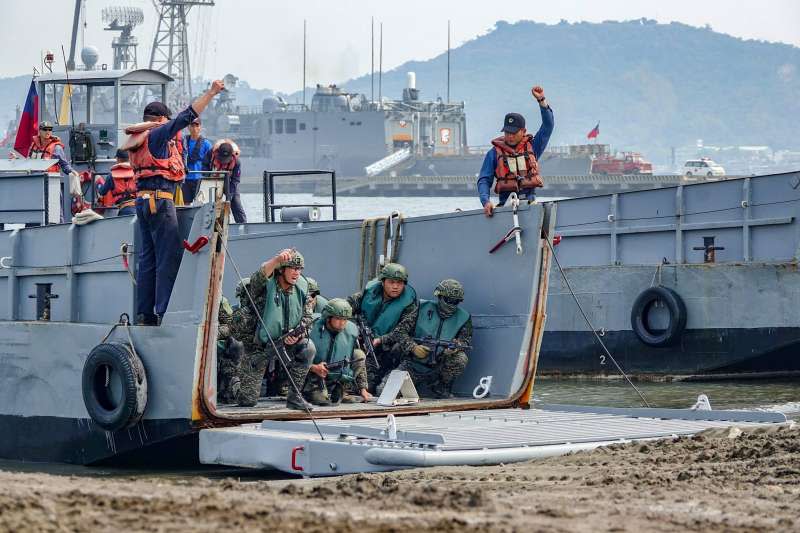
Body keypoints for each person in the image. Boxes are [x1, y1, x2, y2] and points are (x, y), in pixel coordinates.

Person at [120, 79, 225, 326]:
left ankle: (145, 313)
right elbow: (187, 116)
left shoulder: (139, 138)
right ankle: (164, 312)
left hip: (142, 202)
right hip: (160, 201)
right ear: (160, 119)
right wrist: (211, 93)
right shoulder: (157, 134)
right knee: (167, 258)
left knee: (148, 258)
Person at [244, 249, 316, 410]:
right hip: (260, 346)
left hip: (286, 343)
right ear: (281, 270)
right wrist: (276, 260)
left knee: (308, 348)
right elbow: (257, 279)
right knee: (247, 400)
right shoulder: (265, 286)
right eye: (293, 268)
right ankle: (233, 383)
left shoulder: (303, 289)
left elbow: (308, 318)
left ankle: (295, 397)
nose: (297, 273)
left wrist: (297, 335)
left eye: (299, 269)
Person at [387, 279, 473, 398]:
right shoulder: (422, 308)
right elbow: (399, 332)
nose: (451, 304)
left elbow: (466, 340)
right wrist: (413, 347)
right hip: (413, 364)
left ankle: (440, 386)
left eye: (456, 301)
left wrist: (455, 346)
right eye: (448, 300)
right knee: (385, 393)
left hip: (439, 366)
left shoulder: (464, 317)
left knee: (460, 358)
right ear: (440, 297)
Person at [478, 86, 554, 217]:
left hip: (530, 205)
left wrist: (541, 100)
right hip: (505, 207)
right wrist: (486, 201)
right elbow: (484, 180)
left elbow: (548, 126)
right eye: (507, 132)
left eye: (513, 132)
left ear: (523, 131)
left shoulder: (533, 146)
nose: (510, 136)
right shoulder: (494, 153)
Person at [348, 263, 418, 392]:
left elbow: (402, 331)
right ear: (383, 282)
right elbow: (346, 308)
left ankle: (389, 377)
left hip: (387, 348)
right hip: (363, 344)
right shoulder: (368, 293)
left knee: (370, 386)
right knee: (361, 386)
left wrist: (381, 340)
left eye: (400, 283)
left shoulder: (410, 304)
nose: (396, 287)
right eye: (391, 282)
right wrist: (355, 328)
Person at [304, 299, 372, 406]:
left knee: (359, 355)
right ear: (328, 317)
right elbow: (294, 357)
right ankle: (312, 390)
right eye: (338, 318)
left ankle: (341, 389)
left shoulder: (351, 331)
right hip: (312, 377)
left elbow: (359, 362)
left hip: (336, 375)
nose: (342, 323)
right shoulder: (310, 327)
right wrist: (313, 367)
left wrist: (362, 389)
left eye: (345, 319)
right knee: (322, 400)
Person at [203, 139, 246, 223]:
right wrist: (208, 178)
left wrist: (229, 197)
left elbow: (235, 181)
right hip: (212, 180)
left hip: (229, 182)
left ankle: (243, 226)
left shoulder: (237, 162)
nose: (223, 161)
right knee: (207, 204)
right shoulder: (210, 153)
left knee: (236, 203)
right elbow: (204, 166)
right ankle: (207, 225)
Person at [95, 149, 137, 216]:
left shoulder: (111, 175)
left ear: (118, 159)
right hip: (138, 208)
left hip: (124, 210)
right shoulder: (136, 172)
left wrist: (98, 184)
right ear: (129, 158)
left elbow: (102, 192)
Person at [181, 118, 212, 204]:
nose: (194, 128)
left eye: (196, 125)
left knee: (199, 203)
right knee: (186, 203)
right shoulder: (183, 142)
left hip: (200, 179)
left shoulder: (206, 144)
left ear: (200, 128)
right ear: (188, 127)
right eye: (192, 125)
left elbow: (211, 161)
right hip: (186, 179)